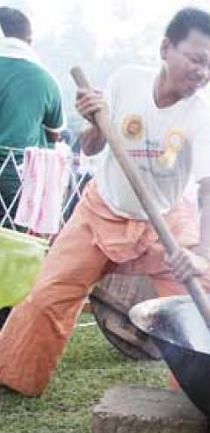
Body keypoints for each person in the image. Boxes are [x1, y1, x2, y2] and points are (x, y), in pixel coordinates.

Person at [0, 8, 210, 397]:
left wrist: (202, 256)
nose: (202, 72)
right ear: (166, 48)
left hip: (166, 222)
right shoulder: (126, 81)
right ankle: (13, 374)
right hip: (100, 212)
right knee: (46, 296)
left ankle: (209, 391)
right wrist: (95, 120)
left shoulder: (203, 118)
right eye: (196, 59)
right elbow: (91, 145)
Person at [0, 7, 65, 328]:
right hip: (21, 179)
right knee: (15, 248)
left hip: (11, 171)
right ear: (29, 38)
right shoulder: (46, 79)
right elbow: (55, 133)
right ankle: (9, 321)